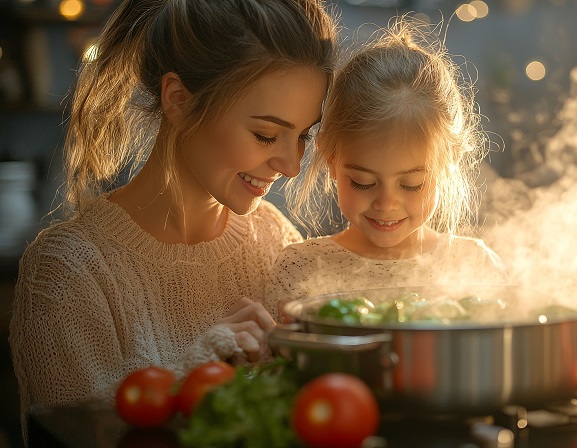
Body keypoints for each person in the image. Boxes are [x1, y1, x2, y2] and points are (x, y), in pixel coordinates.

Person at [9, 0, 337, 437]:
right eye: (265, 134)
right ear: (178, 100)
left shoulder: (273, 236)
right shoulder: (68, 272)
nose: (291, 165)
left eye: (302, 135)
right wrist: (198, 366)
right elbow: (77, 435)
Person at [265, 21, 506, 318]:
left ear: (450, 161)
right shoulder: (300, 269)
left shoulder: (473, 266)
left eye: (412, 183)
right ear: (329, 156)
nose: (386, 204)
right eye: (363, 182)